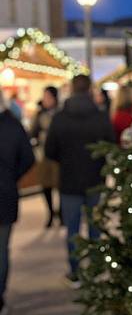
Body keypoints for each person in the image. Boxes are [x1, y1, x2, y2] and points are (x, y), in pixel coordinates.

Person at [45, 74, 115, 288]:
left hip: (69, 181)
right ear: (89, 90)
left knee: (73, 230)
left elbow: (50, 150)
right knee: (95, 227)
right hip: (95, 178)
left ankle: (75, 273)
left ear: (72, 89)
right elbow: (110, 144)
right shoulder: (100, 117)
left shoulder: (59, 118)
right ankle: (94, 269)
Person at [0, 89, 35, 315]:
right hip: (5, 194)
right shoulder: (13, 125)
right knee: (1, 250)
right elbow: (29, 158)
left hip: (5, 193)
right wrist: (12, 177)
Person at [30, 86, 62, 227]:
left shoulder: (60, 114)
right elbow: (33, 132)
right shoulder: (39, 114)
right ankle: (50, 212)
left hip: (59, 155)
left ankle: (61, 213)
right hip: (44, 154)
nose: (46, 100)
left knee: (59, 184)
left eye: (48, 97)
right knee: (46, 185)